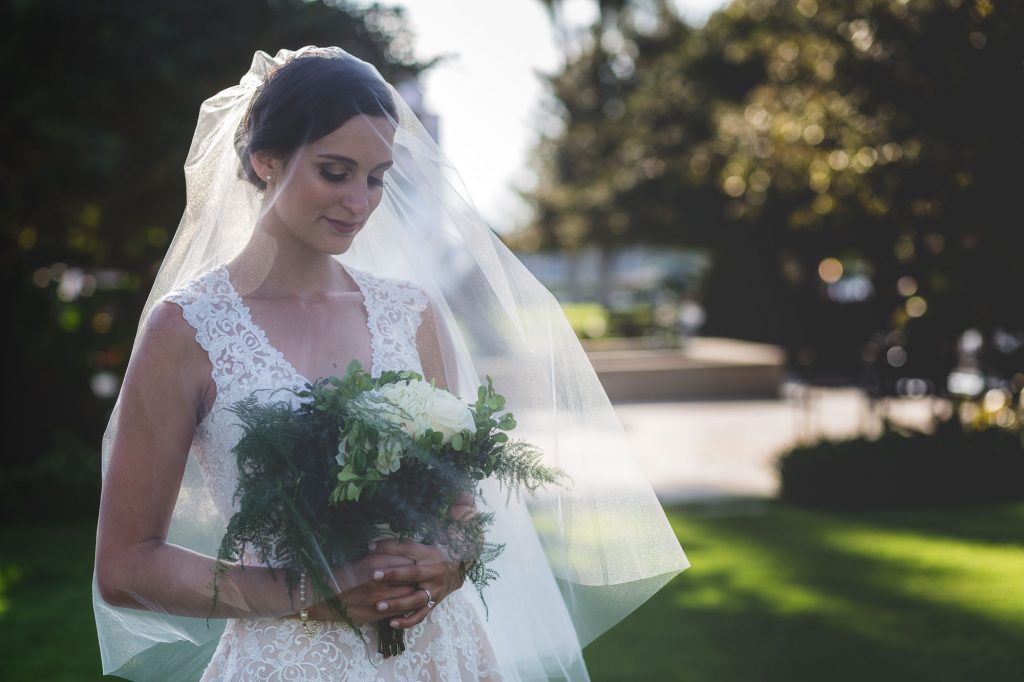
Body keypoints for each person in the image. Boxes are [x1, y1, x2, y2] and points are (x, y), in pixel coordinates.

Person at [94, 46, 688, 682]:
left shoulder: (410, 314)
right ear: (266, 160)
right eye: (334, 171)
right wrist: (307, 593)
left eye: (376, 177)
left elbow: (461, 514)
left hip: (441, 657)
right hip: (292, 664)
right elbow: (126, 566)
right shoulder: (188, 330)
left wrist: (450, 561)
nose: (359, 201)